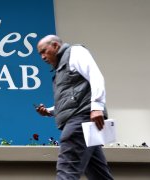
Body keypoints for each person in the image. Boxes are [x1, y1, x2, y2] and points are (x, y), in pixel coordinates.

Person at [36, 35, 114, 180]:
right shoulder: (60, 69)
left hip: (80, 119)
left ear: (55, 45)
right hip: (84, 120)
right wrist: (50, 111)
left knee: (66, 170)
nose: (42, 57)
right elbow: (72, 98)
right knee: (98, 174)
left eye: (44, 51)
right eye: (40, 54)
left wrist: (97, 106)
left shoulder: (75, 52)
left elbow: (95, 76)